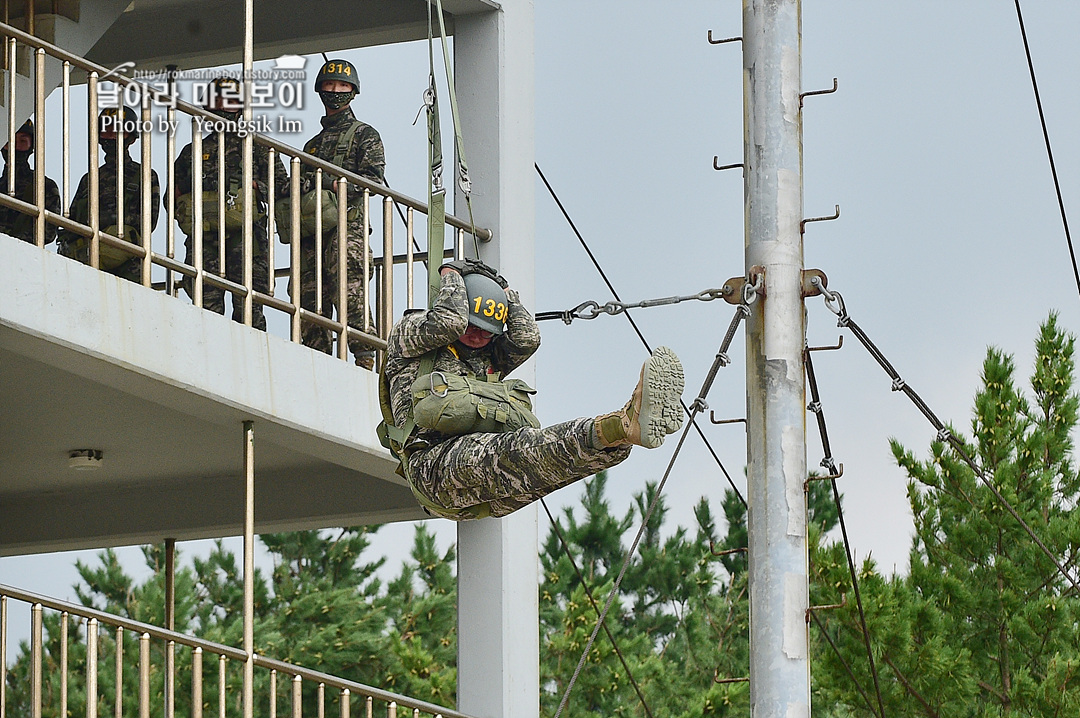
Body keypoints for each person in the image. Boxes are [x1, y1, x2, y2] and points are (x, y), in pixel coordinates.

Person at [381, 260, 686, 520]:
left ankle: (623, 431)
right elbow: (450, 321)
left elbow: (527, 337)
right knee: (522, 448)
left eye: (486, 331)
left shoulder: (486, 356)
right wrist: (451, 273)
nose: (476, 336)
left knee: (559, 464)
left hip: (481, 497)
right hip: (432, 468)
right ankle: (621, 422)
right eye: (472, 326)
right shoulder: (410, 338)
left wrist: (506, 293)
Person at [174, 76, 290, 331]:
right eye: (218, 100)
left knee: (249, 311)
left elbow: (283, 189)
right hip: (205, 241)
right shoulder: (192, 151)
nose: (224, 106)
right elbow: (173, 199)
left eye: (231, 101)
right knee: (205, 311)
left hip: (246, 241)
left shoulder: (257, 146)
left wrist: (256, 187)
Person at [293, 57, 385, 369]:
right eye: (330, 85)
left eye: (343, 85)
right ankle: (314, 361)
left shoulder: (364, 135)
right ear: (320, 90)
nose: (336, 90)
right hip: (313, 232)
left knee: (350, 292)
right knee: (310, 296)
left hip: (348, 229)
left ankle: (364, 359)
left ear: (353, 91)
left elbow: (373, 181)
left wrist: (334, 184)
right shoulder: (312, 145)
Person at [57, 106, 160, 283]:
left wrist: (107, 222)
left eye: (117, 130)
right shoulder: (89, 179)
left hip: (128, 262)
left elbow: (148, 222)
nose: (111, 135)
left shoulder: (144, 175)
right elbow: (71, 221)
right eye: (106, 130)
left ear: (131, 137)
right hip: (88, 259)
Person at [0, 119, 60, 245]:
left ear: (31, 145)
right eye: (9, 140)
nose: (14, 146)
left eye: (22, 141)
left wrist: (12, 242)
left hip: (25, 255)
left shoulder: (44, 186)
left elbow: (48, 232)